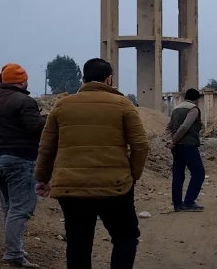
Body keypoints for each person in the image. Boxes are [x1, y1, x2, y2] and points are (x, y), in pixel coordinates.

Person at [34, 58, 149, 269]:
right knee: (125, 237)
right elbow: (140, 145)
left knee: (78, 241)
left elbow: (47, 147)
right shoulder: (123, 105)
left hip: (72, 188)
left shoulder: (62, 105)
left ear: (83, 78)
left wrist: (42, 178)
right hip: (115, 187)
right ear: (109, 79)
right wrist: (133, 175)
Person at [0, 63, 47, 268]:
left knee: (9, 208)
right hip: (20, 159)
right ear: (22, 81)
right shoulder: (24, 101)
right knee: (21, 209)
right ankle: (13, 254)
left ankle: (14, 248)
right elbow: (35, 128)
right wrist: (47, 119)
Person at [166, 88, 205, 212]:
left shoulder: (176, 109)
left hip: (177, 147)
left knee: (178, 175)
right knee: (198, 172)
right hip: (187, 145)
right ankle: (189, 202)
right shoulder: (193, 109)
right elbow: (185, 127)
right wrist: (174, 141)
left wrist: (170, 140)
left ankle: (177, 204)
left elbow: (169, 127)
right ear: (196, 99)